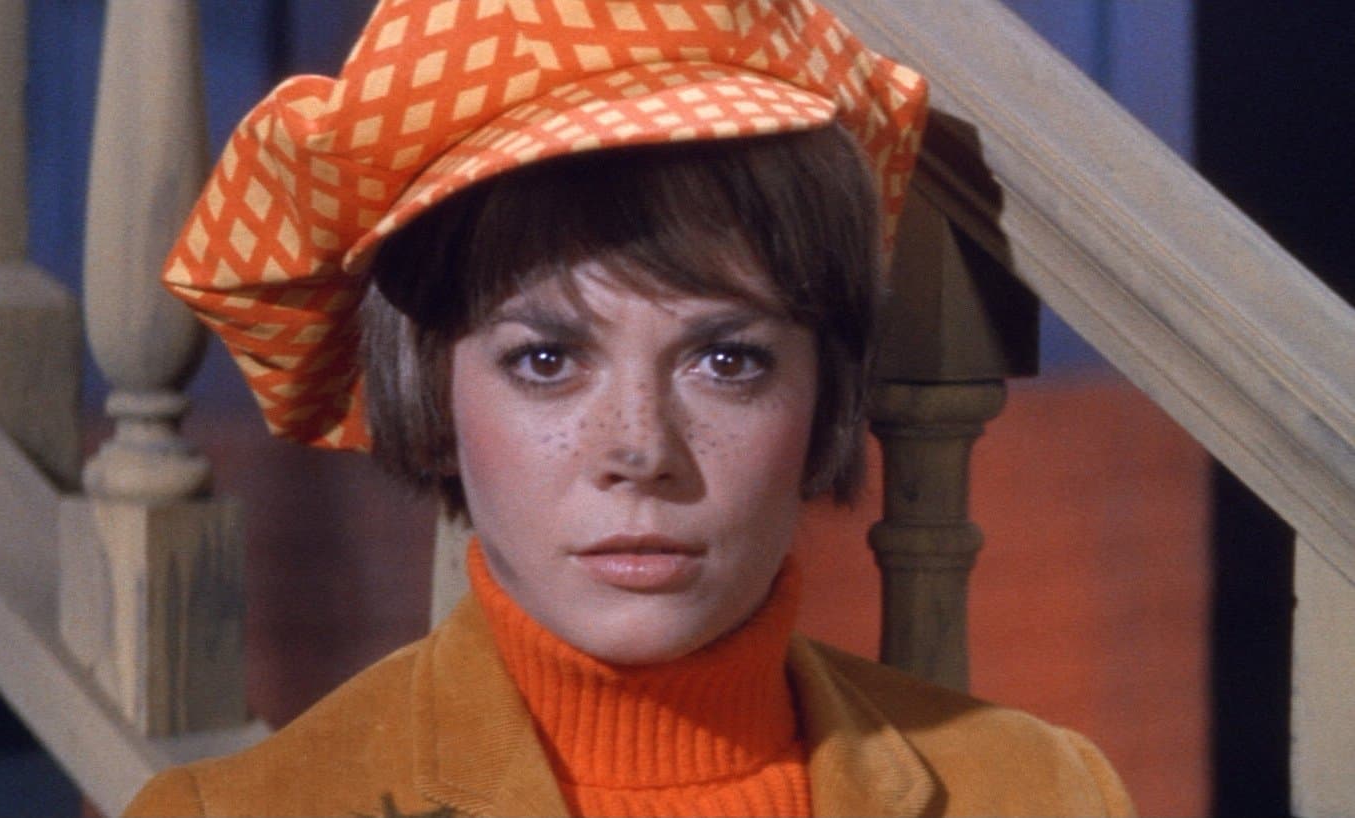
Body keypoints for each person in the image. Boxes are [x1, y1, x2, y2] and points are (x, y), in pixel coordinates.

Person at [127, 1, 1135, 815]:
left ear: (822, 390)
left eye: (727, 360)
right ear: (435, 393)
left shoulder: (1042, 792)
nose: (641, 448)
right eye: (547, 360)